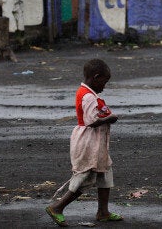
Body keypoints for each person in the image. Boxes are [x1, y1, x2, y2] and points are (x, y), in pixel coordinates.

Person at [45, 59, 123, 227]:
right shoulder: (87, 96)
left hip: (96, 142)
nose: (105, 85)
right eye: (104, 81)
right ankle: (57, 207)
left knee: (104, 174)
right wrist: (111, 118)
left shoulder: (88, 93)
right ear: (96, 77)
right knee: (86, 176)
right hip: (89, 142)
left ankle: (103, 212)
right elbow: (91, 121)